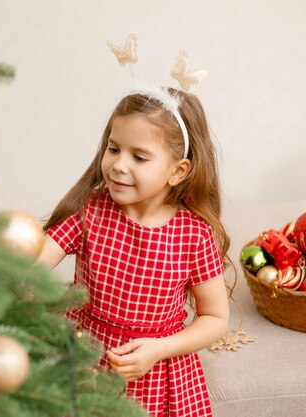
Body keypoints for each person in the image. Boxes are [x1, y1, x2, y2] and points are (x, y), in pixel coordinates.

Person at [38, 87, 231, 417]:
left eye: (139, 157)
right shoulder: (91, 211)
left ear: (177, 171)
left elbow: (215, 318)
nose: (117, 165)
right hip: (86, 355)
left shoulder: (193, 236)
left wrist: (159, 349)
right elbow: (36, 263)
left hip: (155, 369)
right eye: (114, 149)